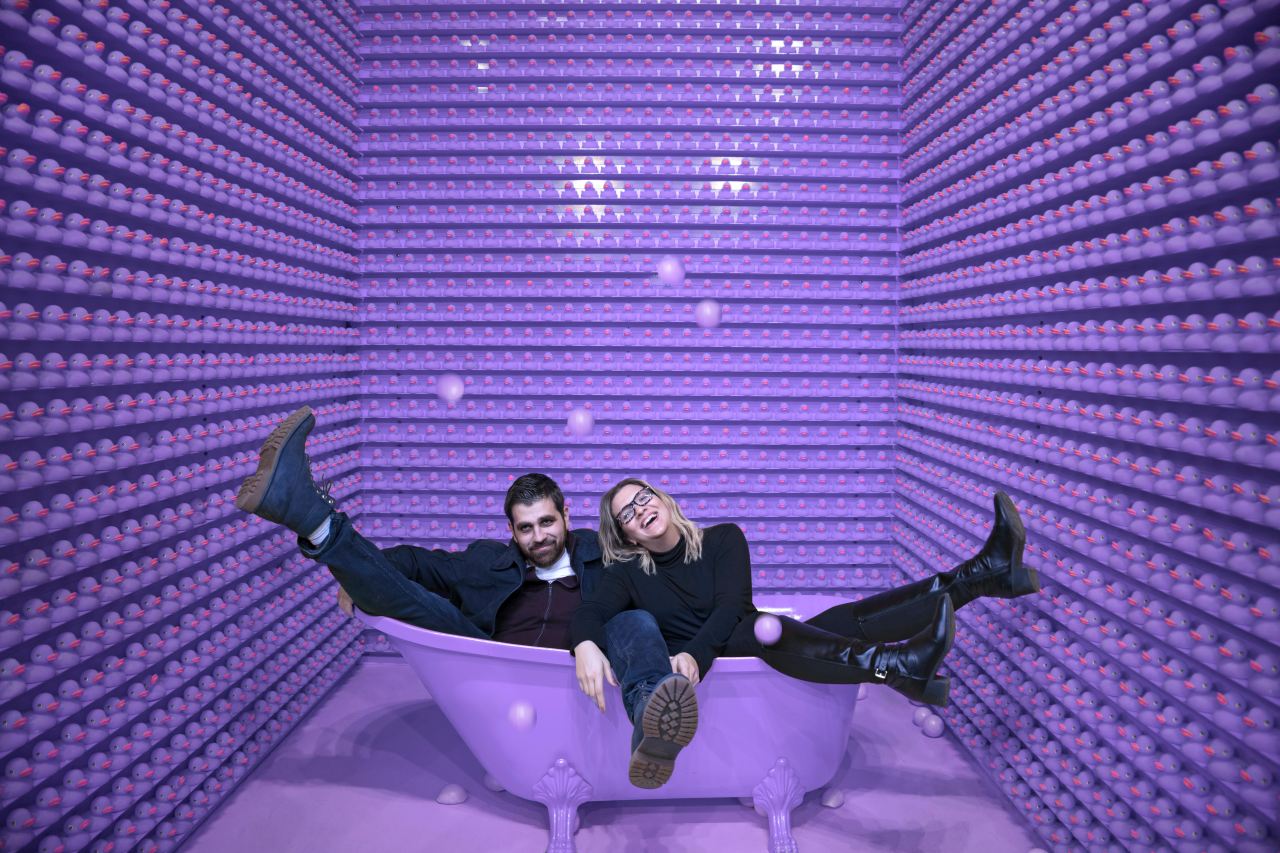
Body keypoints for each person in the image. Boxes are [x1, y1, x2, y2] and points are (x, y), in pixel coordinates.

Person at [570, 478, 1038, 789]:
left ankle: (980, 576)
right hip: (717, 670)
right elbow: (590, 612)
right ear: (627, 535)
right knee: (766, 627)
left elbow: (731, 607)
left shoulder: (723, 539)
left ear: (663, 498)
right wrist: (586, 644)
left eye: (643, 496)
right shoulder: (626, 574)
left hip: (742, 645)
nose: (641, 509)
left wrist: (694, 653)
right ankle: (896, 662)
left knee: (840, 619)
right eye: (627, 513)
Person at [235, 405, 613, 651]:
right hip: (494, 667)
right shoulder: (490, 561)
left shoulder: (602, 554)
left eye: (547, 522)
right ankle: (312, 518)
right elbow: (415, 563)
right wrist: (362, 578)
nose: (539, 536)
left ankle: (310, 516)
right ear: (513, 532)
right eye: (526, 528)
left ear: (566, 515)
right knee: (428, 607)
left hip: (578, 675)